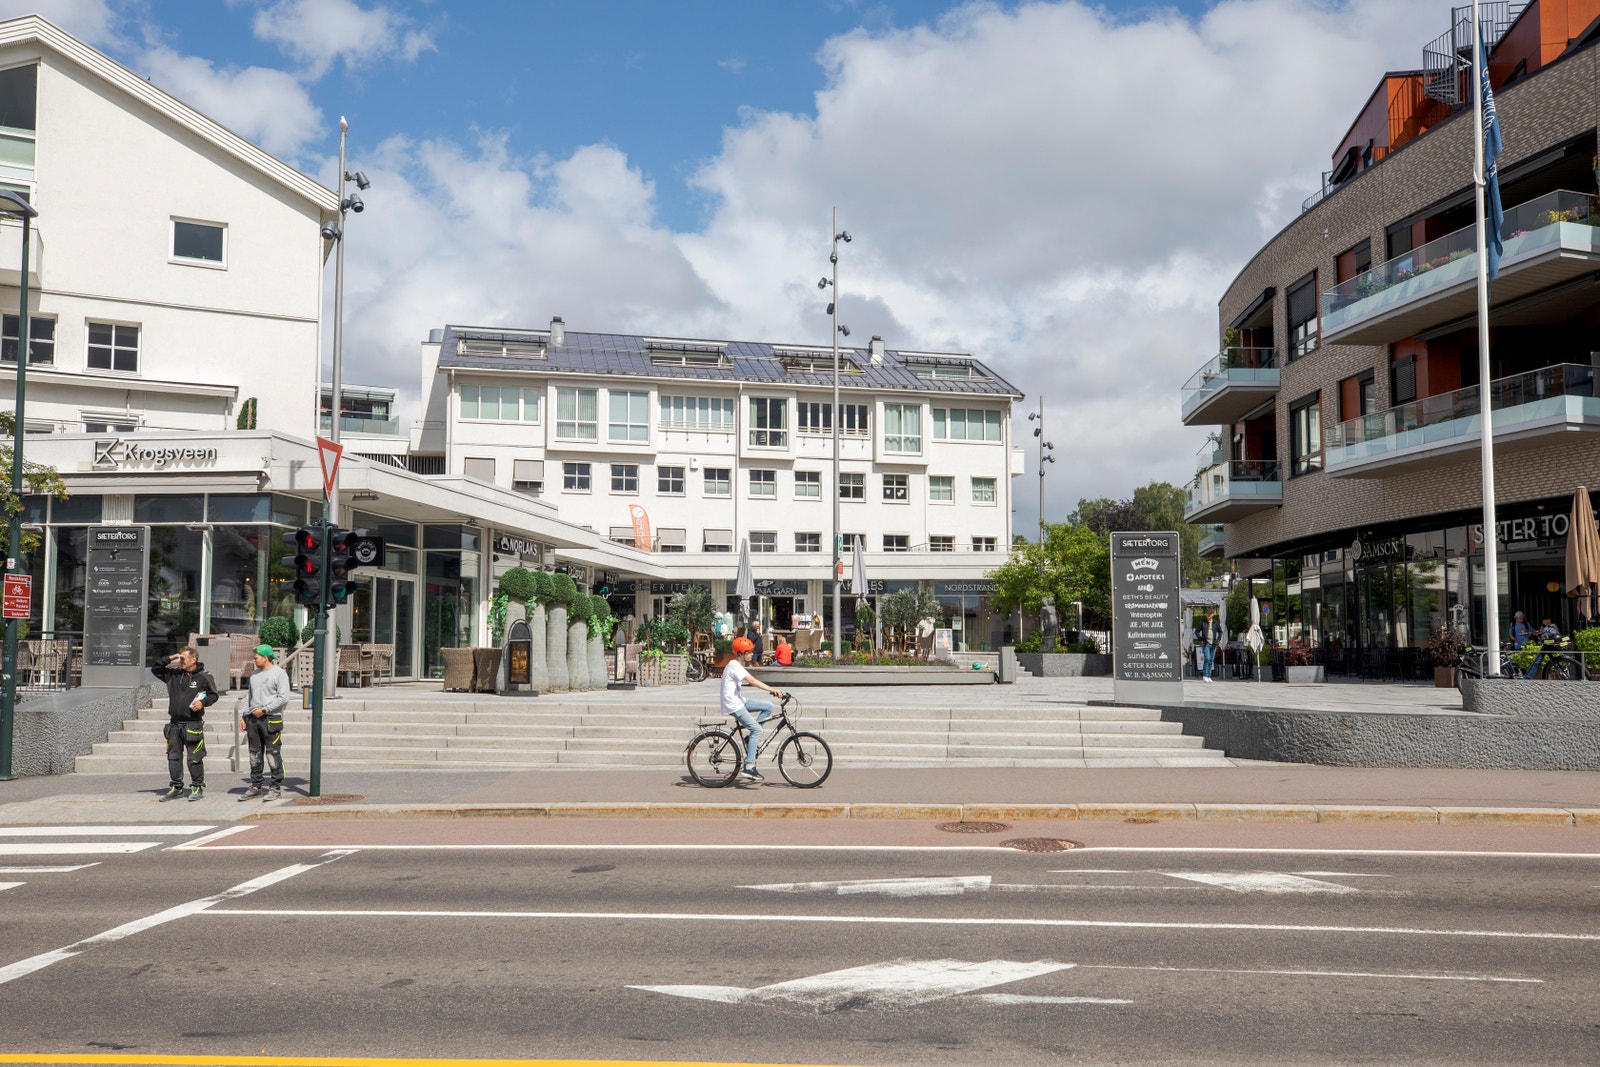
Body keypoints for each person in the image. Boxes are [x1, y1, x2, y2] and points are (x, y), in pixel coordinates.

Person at [151, 646, 219, 801]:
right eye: (180, 658)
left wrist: (202, 703)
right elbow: (156, 668)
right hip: (174, 724)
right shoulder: (173, 674)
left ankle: (197, 787)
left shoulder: (204, 676)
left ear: (193, 659)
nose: (181, 661)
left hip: (193, 724)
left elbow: (214, 695)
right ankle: (176, 787)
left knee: (194, 758)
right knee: (173, 757)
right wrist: (173, 657)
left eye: (184, 658)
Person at [721, 635, 785, 781]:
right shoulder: (734, 666)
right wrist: (772, 689)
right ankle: (749, 766)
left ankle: (750, 740)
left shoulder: (737, 665)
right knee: (757, 729)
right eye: (748, 652)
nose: (751, 654)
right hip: (733, 704)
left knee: (768, 706)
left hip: (739, 700)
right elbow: (752, 681)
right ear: (740, 654)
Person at [239, 644, 291, 800]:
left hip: (271, 719)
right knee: (254, 754)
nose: (253, 660)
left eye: (256, 658)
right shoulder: (254, 675)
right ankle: (256, 786)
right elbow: (249, 697)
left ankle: (275, 787)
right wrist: (244, 716)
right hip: (253, 719)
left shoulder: (279, 674)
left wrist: (265, 709)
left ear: (265, 657)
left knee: (272, 753)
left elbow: (283, 698)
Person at [1526, 615, 1561, 679]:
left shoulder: (1551, 627)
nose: (1544, 622)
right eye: (1543, 621)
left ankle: (1528, 677)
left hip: (1548, 645)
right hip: (1547, 645)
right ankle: (1528, 676)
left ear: (1549, 620)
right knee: (1539, 660)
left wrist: (1541, 633)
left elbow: (1548, 636)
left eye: (1544, 620)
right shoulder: (1547, 627)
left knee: (1538, 661)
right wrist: (1539, 633)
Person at [1195, 609, 1222, 683]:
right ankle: (1205, 675)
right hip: (1206, 643)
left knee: (1211, 660)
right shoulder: (1202, 622)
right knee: (1207, 658)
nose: (1209, 615)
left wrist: (1218, 639)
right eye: (1207, 614)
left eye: (1210, 614)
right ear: (1206, 614)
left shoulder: (1216, 622)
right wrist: (1200, 638)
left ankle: (1209, 676)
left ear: (1212, 614)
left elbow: (1220, 632)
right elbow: (1196, 631)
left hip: (1213, 643)